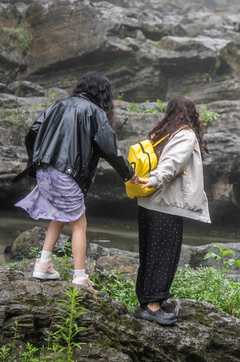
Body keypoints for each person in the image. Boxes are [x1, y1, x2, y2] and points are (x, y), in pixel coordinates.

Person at [13, 71, 137, 287]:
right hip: (66, 173)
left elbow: (32, 132)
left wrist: (36, 160)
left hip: (44, 169)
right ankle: (80, 278)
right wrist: (129, 174)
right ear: (104, 94)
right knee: (79, 223)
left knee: (60, 214)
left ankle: (43, 265)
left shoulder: (58, 105)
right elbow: (110, 150)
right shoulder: (96, 112)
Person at [133, 95, 211, 326]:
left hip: (149, 203)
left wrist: (151, 182)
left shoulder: (163, 135)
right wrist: (155, 180)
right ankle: (154, 307)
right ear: (190, 113)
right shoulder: (185, 134)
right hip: (166, 204)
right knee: (164, 255)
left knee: (149, 254)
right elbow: (173, 163)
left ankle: (146, 302)